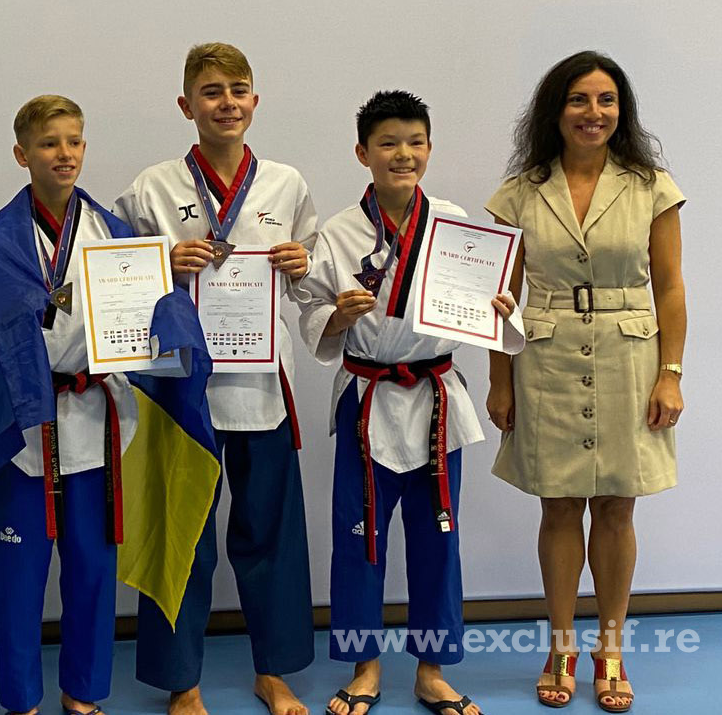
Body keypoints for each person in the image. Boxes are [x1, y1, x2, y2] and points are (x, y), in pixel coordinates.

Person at [0, 94, 220, 715]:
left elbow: (155, 303)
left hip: (95, 426)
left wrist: (171, 316)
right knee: (20, 576)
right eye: (49, 143)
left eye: (75, 142)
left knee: (91, 569)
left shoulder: (115, 234)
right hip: (21, 434)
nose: (64, 154)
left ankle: (83, 693)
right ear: (21, 154)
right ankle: (22, 700)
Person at [297, 91, 522, 715]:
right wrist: (336, 316)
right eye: (389, 143)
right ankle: (365, 667)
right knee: (359, 537)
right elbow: (310, 312)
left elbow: (493, 309)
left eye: (415, 142)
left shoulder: (456, 226)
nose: (404, 154)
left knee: (436, 538)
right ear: (363, 152)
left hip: (436, 402)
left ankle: (431, 669)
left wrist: (501, 310)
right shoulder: (337, 232)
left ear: (429, 147)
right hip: (367, 398)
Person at [113, 42, 316, 715]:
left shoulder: (285, 184)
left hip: (261, 384)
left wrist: (299, 262)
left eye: (237, 90)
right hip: (184, 389)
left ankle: (273, 670)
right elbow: (114, 281)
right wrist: (161, 262)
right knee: (183, 540)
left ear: (254, 101)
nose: (225, 102)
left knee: (269, 537)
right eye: (210, 91)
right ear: (185, 105)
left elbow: (312, 276)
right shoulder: (152, 186)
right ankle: (182, 680)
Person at [485, 51, 686, 713]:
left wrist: (671, 373)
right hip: (542, 355)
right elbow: (498, 295)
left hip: (629, 356)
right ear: (555, 109)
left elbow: (669, 286)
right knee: (559, 504)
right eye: (577, 99)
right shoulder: (519, 193)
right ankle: (561, 643)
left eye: (604, 100)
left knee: (617, 507)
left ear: (619, 110)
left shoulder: (650, 185)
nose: (591, 113)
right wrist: (500, 381)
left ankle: (610, 646)